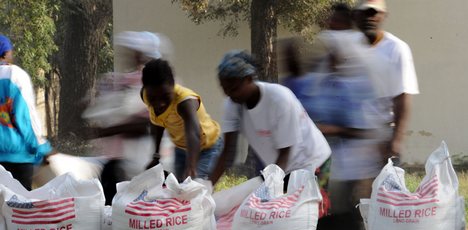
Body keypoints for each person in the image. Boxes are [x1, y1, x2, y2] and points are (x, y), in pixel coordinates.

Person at [210, 50, 332, 216]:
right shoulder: (232, 104)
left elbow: (286, 152)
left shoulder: (279, 99)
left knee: (307, 216)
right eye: (224, 89)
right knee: (277, 217)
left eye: (234, 88)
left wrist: (270, 187)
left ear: (249, 79)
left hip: (311, 162)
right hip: (279, 169)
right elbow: (228, 152)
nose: (229, 95)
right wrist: (208, 187)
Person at [84, 31, 168, 204]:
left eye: (138, 54)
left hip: (142, 161)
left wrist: (107, 130)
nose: (134, 58)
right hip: (120, 160)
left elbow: (146, 125)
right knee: (114, 208)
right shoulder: (127, 81)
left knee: (138, 208)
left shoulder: (155, 85)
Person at [354, 0, 419, 162]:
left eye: (374, 13)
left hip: (382, 137)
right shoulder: (349, 48)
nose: (369, 18)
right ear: (356, 16)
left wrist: (396, 140)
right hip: (353, 138)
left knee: (384, 187)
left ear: (383, 16)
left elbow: (403, 97)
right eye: (364, 13)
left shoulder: (396, 48)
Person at [141, 58, 223, 181]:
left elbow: (194, 134)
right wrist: (156, 156)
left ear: (173, 86)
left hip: (207, 147)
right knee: (181, 190)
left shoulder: (185, 102)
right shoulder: (146, 95)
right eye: (153, 98)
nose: (159, 104)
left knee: (196, 188)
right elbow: (157, 124)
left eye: (165, 96)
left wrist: (191, 167)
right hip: (181, 149)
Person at [0, 34, 52, 190]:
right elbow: (25, 118)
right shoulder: (14, 75)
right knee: (19, 209)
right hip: (16, 159)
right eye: (10, 50)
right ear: (4, 53)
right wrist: (41, 148)